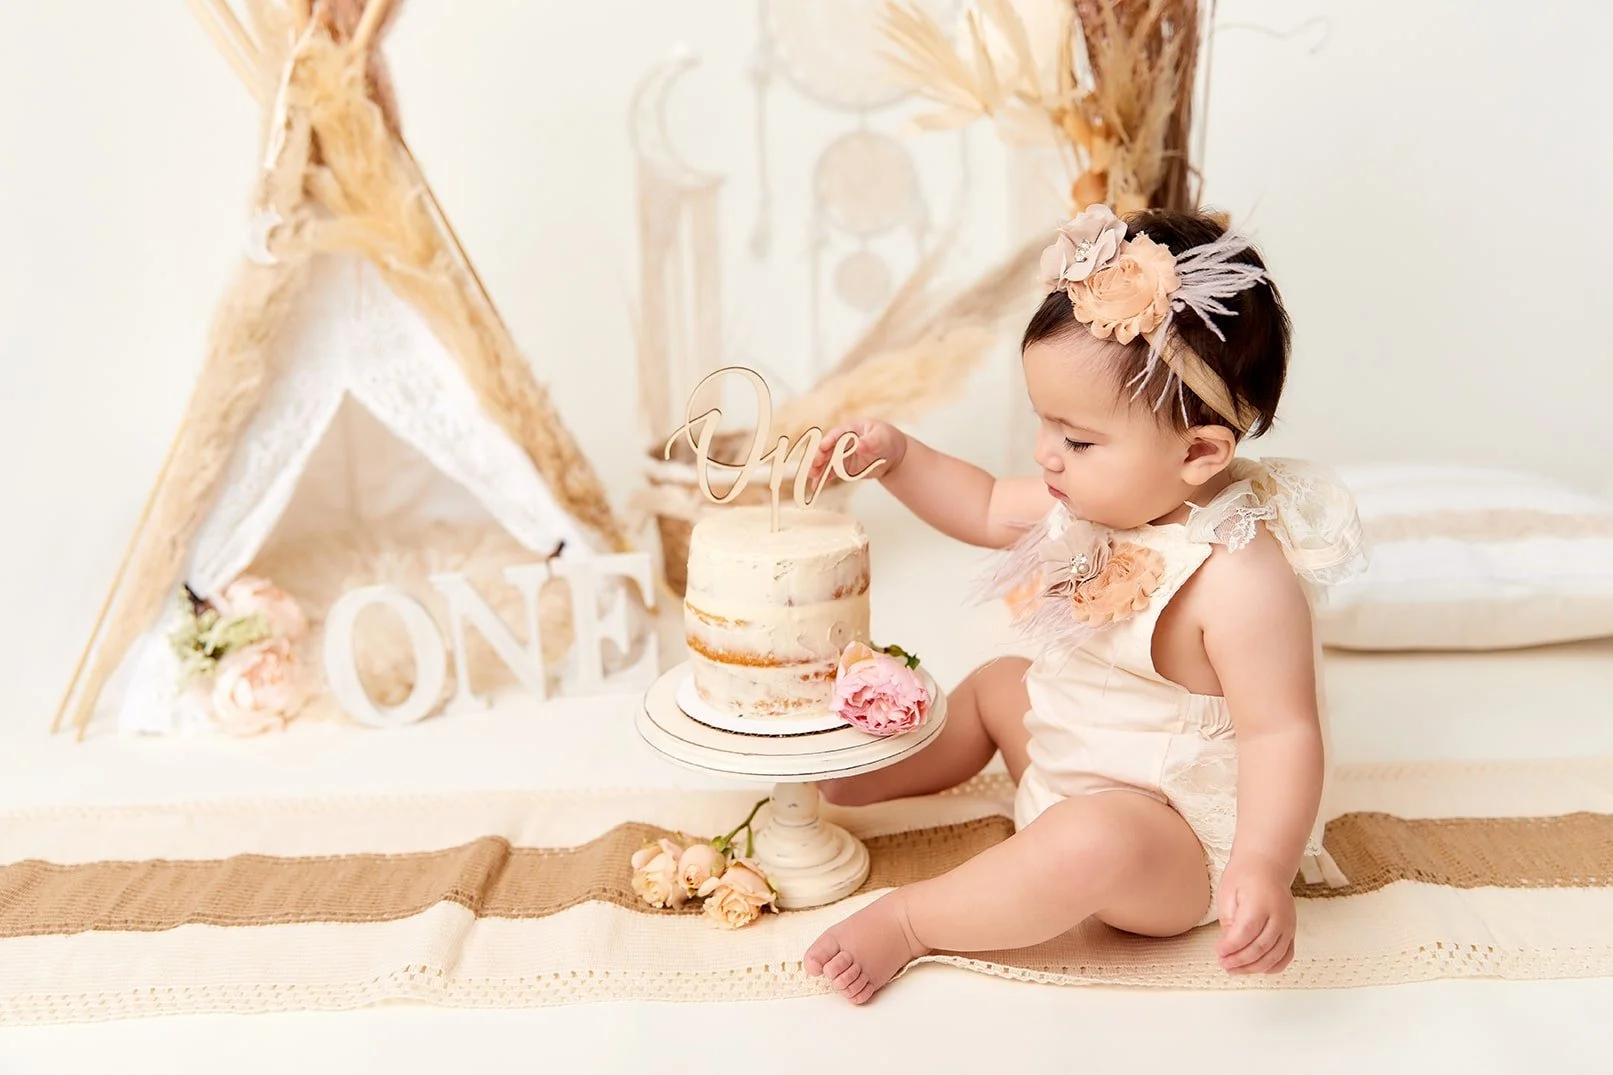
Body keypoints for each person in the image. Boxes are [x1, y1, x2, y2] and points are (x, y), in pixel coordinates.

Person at [802, 205, 1366, 1004]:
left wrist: (1261, 866)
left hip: (1165, 846)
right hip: (1068, 772)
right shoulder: (1102, 497)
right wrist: (897, 456)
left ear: (1200, 451)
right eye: (1043, 422)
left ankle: (911, 922)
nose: (1045, 454)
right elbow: (986, 500)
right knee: (1003, 683)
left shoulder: (1239, 575)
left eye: (1077, 439)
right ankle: (871, 776)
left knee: (1089, 837)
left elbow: (1282, 730)